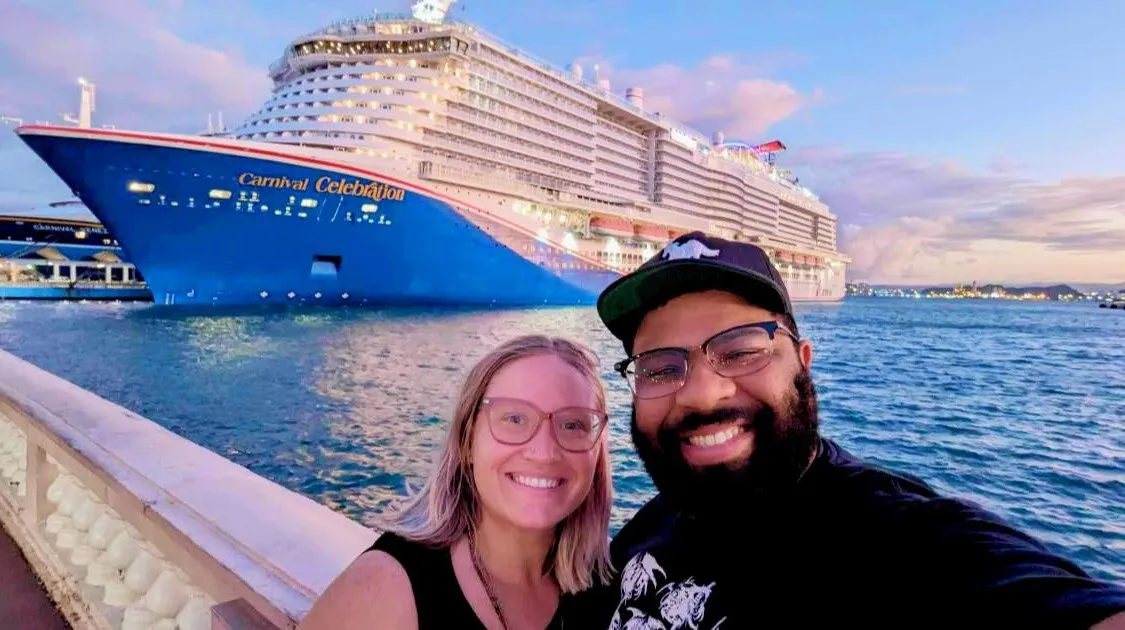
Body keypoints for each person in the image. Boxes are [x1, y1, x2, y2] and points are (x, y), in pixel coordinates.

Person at [576, 231, 1125, 629]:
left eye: (740, 350)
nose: (699, 393)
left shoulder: (894, 539)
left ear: (803, 361)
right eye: (661, 368)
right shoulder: (659, 518)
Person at [299, 335, 614, 630]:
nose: (544, 453)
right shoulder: (384, 588)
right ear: (466, 441)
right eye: (514, 419)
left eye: (573, 424)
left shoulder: (611, 590)